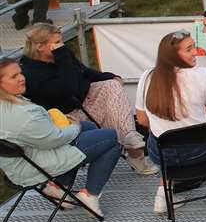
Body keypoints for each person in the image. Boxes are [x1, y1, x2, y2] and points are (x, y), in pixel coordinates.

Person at [20, 23, 155, 175]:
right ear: (40, 47)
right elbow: (67, 90)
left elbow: (84, 71)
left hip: (82, 101)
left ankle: (130, 139)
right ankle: (131, 148)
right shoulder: (30, 72)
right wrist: (62, 57)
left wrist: (110, 76)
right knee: (108, 107)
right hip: (63, 118)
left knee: (111, 85)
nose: (61, 45)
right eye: (57, 42)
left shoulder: (62, 53)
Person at [0, 56, 119, 219]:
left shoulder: (6, 104)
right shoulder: (23, 115)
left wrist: (74, 127)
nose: (21, 78)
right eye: (14, 76)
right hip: (34, 166)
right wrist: (74, 127)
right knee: (111, 139)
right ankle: (90, 194)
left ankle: (58, 185)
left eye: (20, 73)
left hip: (21, 161)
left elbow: (41, 135)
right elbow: (54, 139)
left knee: (89, 127)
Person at [135, 31, 206, 213]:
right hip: (199, 153)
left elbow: (142, 120)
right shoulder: (201, 75)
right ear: (173, 55)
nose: (196, 52)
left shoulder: (147, 77)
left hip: (162, 155)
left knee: (159, 136)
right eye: (189, 49)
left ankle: (163, 195)